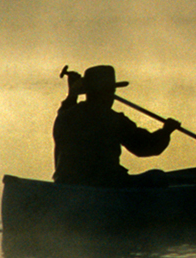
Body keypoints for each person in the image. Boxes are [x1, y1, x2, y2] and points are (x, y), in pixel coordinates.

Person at [52, 65, 182, 185]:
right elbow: (146, 147)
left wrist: (72, 95)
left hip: (67, 182)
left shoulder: (65, 117)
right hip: (105, 184)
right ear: (108, 93)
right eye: (111, 91)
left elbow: (67, 110)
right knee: (158, 177)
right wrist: (166, 131)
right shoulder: (113, 120)